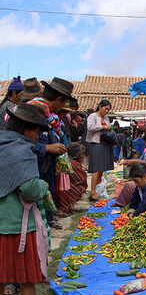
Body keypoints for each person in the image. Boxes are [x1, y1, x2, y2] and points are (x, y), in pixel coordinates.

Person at [0, 103, 53, 295]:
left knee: (0, 275)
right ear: (24, 128)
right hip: (17, 224)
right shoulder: (22, 151)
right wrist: (43, 185)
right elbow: (29, 189)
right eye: (35, 131)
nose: (37, 136)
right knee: (27, 276)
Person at [29, 77, 75, 229]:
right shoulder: (32, 111)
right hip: (33, 166)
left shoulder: (48, 115)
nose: (62, 107)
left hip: (46, 163)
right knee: (35, 201)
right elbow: (22, 142)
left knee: (47, 194)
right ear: (59, 99)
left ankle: (47, 220)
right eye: (63, 103)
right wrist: (48, 148)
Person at [86, 99, 114, 201]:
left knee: (102, 169)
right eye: (105, 109)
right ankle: (92, 192)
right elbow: (90, 127)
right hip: (96, 144)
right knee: (96, 169)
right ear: (100, 106)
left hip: (105, 144)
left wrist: (107, 127)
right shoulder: (92, 116)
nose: (106, 111)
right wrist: (103, 126)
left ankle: (98, 189)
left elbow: (108, 128)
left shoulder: (106, 118)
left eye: (108, 110)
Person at [53, 143, 88, 214]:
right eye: (82, 154)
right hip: (64, 188)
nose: (83, 156)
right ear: (77, 155)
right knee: (76, 188)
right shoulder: (73, 164)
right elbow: (81, 179)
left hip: (63, 187)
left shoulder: (69, 161)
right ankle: (63, 208)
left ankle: (67, 206)